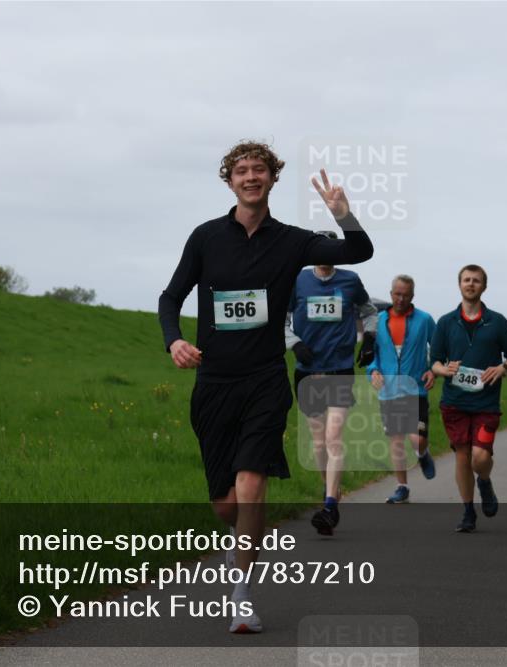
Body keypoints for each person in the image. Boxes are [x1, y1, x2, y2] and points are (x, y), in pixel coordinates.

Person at [158, 141, 373, 633]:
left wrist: (344, 215)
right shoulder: (206, 237)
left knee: (251, 484)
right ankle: (240, 547)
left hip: (265, 379)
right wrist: (174, 342)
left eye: (260, 169)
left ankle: (241, 593)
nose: (251, 176)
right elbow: (171, 297)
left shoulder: (294, 241)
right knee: (226, 504)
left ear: (273, 178)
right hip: (213, 381)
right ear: (229, 180)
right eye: (241, 170)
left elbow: (358, 251)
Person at [285, 243, 378, 535]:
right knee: (318, 442)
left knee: (334, 436)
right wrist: (294, 343)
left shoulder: (350, 280)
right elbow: (280, 317)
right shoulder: (297, 279)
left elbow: (369, 310)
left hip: (339, 368)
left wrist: (371, 338)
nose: (324, 261)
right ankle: (330, 491)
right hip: (308, 371)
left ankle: (329, 505)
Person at [431, 265, 507, 533]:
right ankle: (468, 511)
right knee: (462, 456)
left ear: (484, 286)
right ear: (459, 285)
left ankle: (484, 480)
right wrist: (443, 370)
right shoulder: (446, 322)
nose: (471, 284)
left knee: (479, 458)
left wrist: (503, 368)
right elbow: (434, 361)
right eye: (466, 280)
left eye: (476, 280)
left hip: (486, 403)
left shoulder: (497, 321)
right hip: (455, 401)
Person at [365, 275, 438, 504]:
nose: (400, 298)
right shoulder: (378, 321)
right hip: (388, 391)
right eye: (397, 294)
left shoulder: (425, 320)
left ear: (412, 296)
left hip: (415, 389)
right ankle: (402, 487)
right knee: (396, 439)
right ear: (390, 294)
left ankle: (422, 453)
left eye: (405, 294)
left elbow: (438, 349)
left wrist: (433, 371)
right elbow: (371, 355)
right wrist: (373, 371)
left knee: (417, 438)